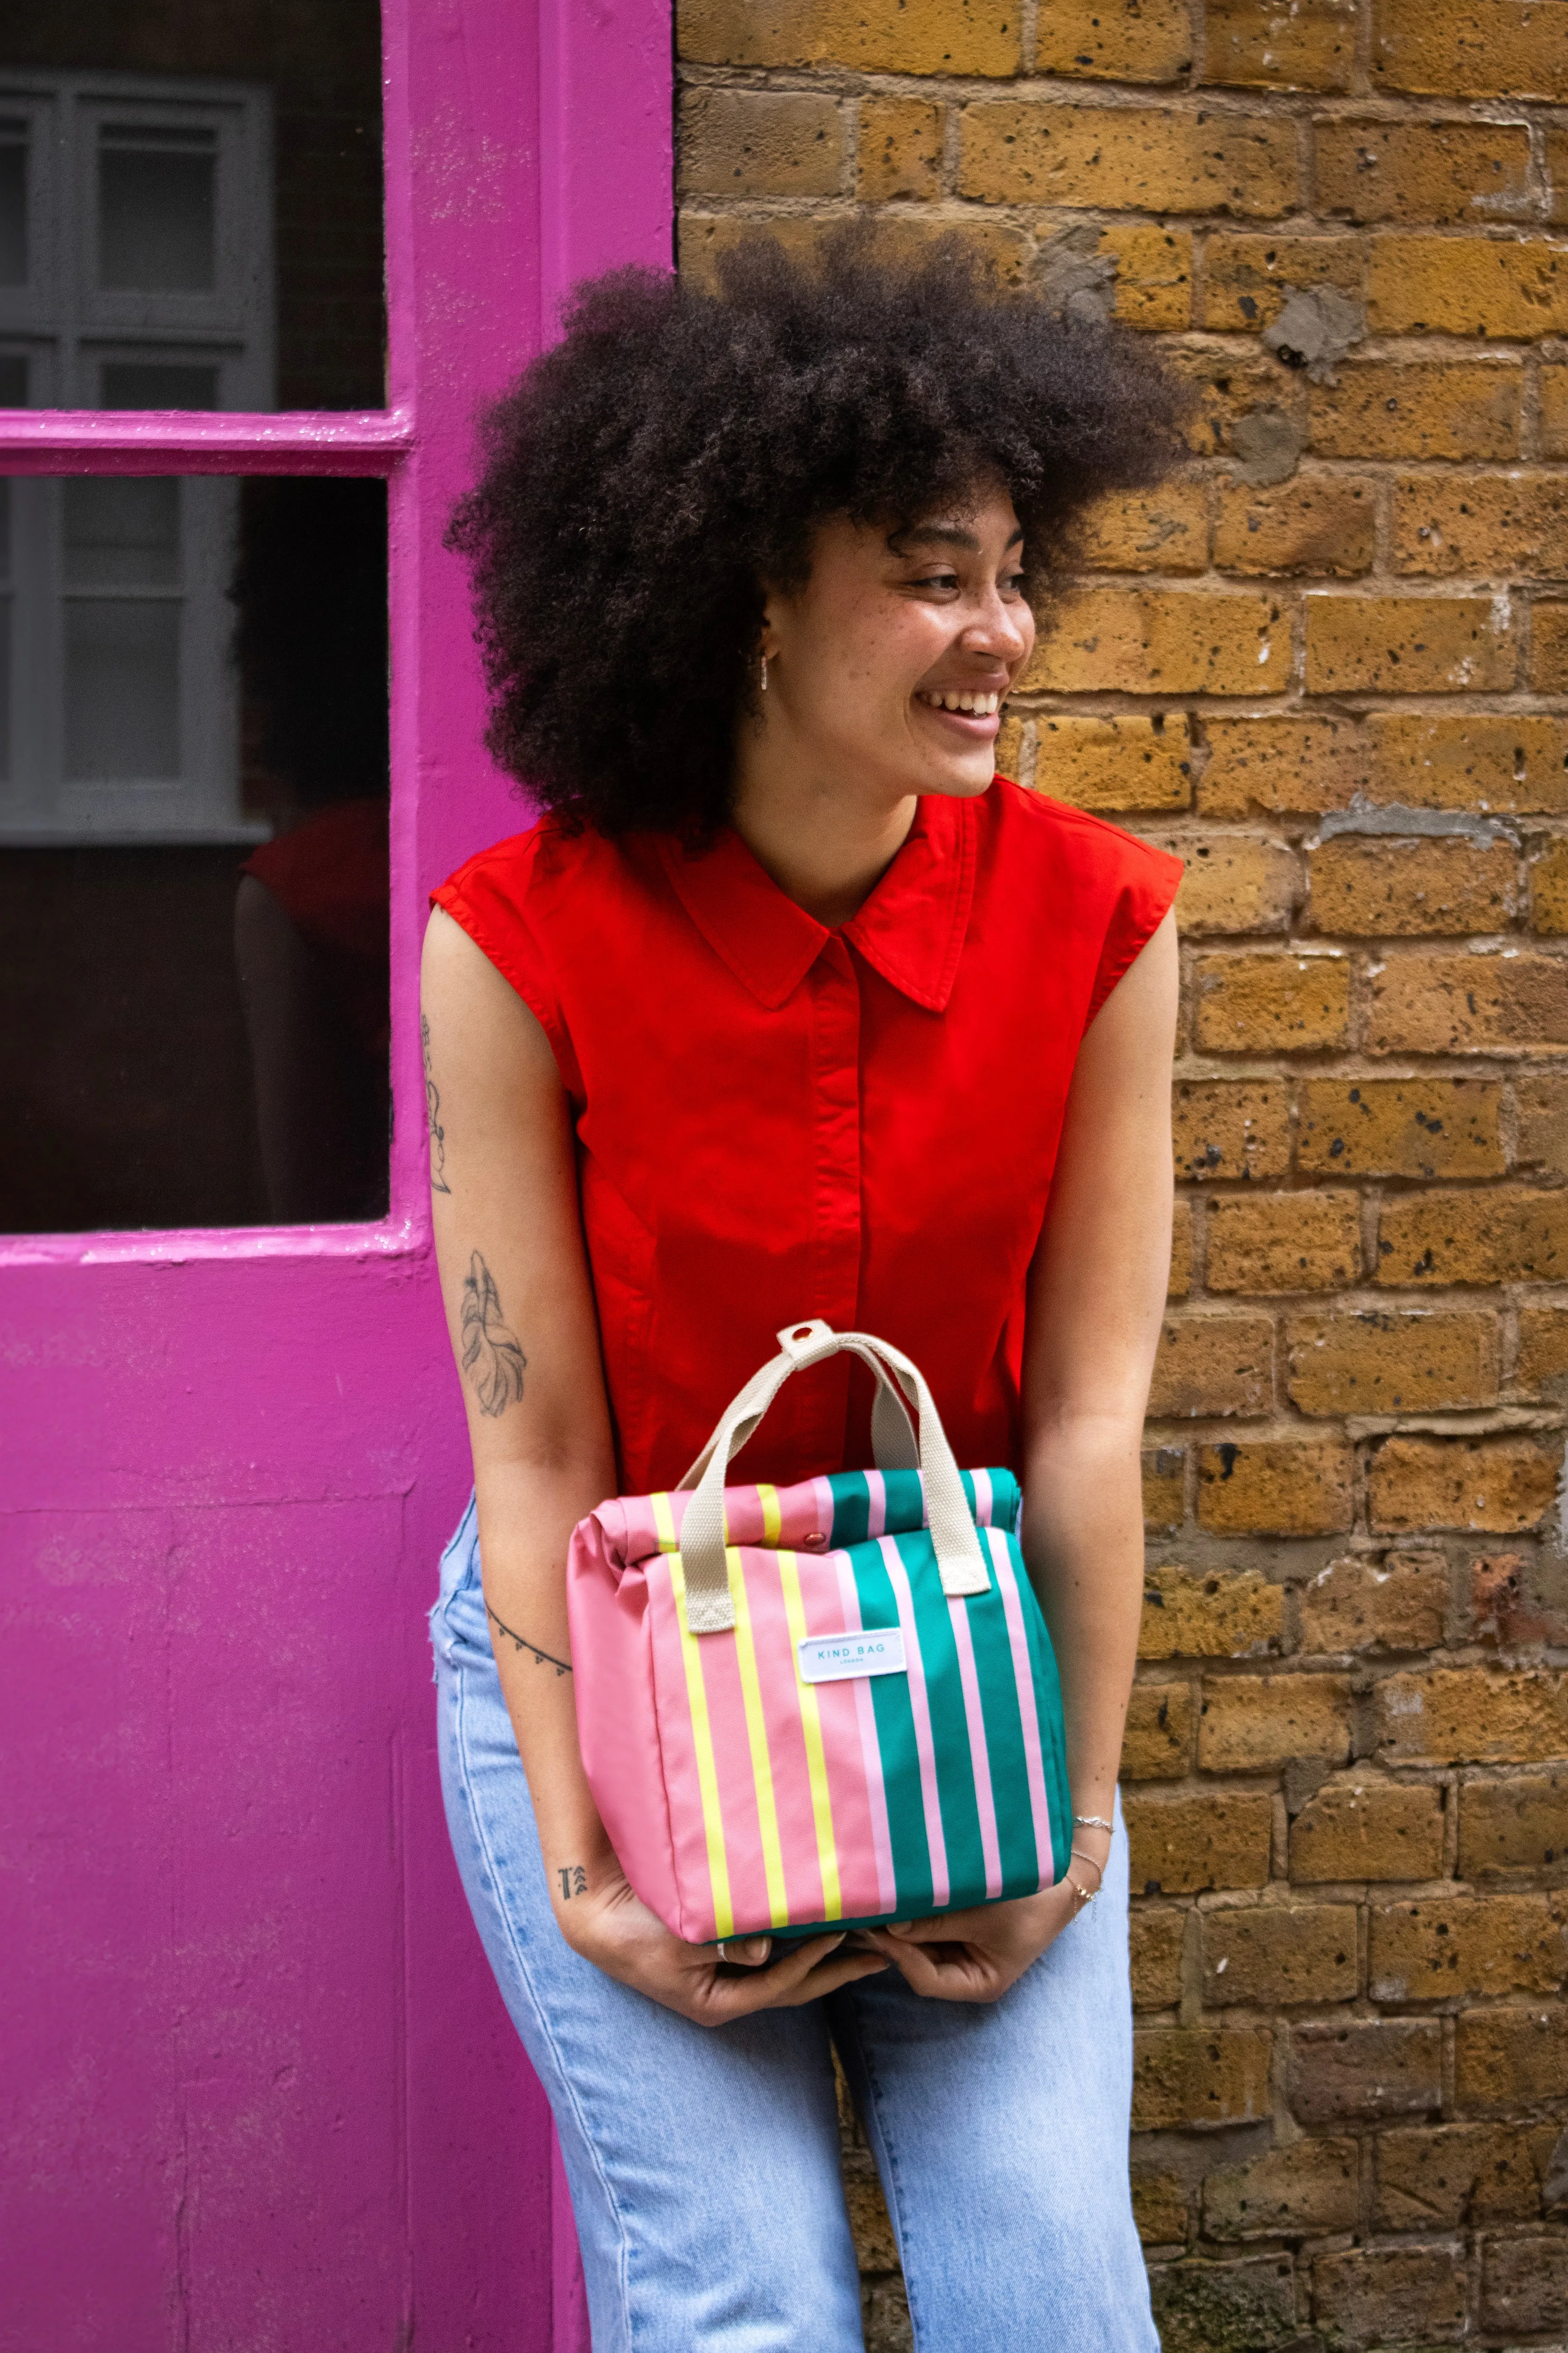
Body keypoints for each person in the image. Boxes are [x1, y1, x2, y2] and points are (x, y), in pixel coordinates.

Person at [423, 230, 1185, 2352]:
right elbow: (536, 1450)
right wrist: (587, 1869)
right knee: (743, 2299)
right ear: (750, 590)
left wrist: (1071, 1831)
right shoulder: (519, 940)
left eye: (1016, 574)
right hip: (611, 1648)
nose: (1002, 633)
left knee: (1050, 2296)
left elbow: (1087, 1421)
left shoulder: (1101, 920)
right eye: (936, 577)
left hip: (961, 1651)